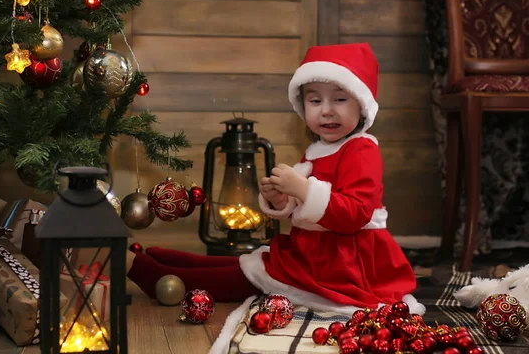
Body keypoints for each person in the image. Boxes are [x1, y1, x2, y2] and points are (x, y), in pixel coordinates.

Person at [126, 42, 425, 315]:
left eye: (340, 99)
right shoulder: (317, 150)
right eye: (316, 101)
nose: (327, 111)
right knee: (252, 262)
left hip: (346, 263)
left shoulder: (361, 149)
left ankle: (165, 276)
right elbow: (303, 207)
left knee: (248, 277)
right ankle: (171, 259)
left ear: (361, 105)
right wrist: (281, 198)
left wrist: (305, 190)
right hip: (314, 253)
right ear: (303, 105)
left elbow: (356, 214)